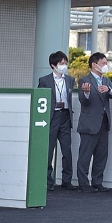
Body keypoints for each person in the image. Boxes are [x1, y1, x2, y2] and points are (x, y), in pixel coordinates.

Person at [76, 52, 112, 192]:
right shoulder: (84, 80)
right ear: (94, 64)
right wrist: (86, 93)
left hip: (104, 122)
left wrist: (109, 89)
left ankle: (97, 181)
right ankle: (83, 183)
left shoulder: (106, 80)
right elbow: (83, 100)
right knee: (85, 155)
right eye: (103, 63)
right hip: (89, 123)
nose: (105, 66)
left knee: (101, 154)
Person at [38, 51, 76, 191]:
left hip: (65, 115)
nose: (64, 66)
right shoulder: (45, 80)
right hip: (52, 116)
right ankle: (47, 180)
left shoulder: (70, 80)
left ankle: (67, 180)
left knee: (67, 150)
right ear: (53, 65)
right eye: (61, 63)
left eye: (65, 63)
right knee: (49, 150)